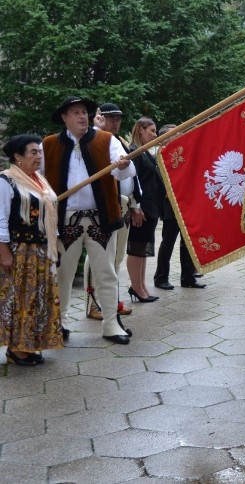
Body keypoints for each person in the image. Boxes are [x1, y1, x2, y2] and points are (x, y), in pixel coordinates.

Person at [41, 96, 136, 345]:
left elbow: (124, 173)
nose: (82, 116)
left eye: (84, 112)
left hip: (101, 219)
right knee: (62, 274)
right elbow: (37, 179)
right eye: (76, 112)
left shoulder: (107, 140)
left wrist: (123, 165)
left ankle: (111, 324)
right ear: (64, 117)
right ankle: (58, 324)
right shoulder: (49, 144)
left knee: (106, 274)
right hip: (65, 221)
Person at [0, 135, 63, 365]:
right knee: (20, 299)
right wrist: (4, 252)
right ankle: (16, 349)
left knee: (38, 298)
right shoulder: (6, 181)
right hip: (20, 250)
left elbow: (49, 216)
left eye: (40, 152)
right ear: (17, 157)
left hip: (41, 250)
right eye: (33, 152)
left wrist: (54, 243)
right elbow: (0, 219)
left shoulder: (39, 181)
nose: (39, 156)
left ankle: (29, 344)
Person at [84, 102, 139, 320]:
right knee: (98, 257)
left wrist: (136, 204)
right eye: (111, 118)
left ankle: (110, 300)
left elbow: (132, 175)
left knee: (115, 258)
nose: (116, 122)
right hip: (103, 206)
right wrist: (96, 129)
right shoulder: (92, 141)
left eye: (118, 119)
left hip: (121, 203)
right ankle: (92, 303)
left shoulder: (118, 141)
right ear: (99, 118)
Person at [153, 125, 204, 291]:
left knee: (188, 242)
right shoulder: (160, 154)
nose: (179, 136)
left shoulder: (182, 153)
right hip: (171, 203)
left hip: (187, 203)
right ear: (164, 138)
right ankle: (161, 278)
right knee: (168, 241)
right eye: (174, 134)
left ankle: (188, 277)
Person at [125, 118, 162, 303]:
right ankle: (136, 287)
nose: (154, 135)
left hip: (151, 207)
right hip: (142, 208)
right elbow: (132, 181)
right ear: (140, 130)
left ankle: (141, 285)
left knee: (144, 249)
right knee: (136, 247)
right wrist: (135, 207)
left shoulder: (144, 152)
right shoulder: (134, 152)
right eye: (152, 130)